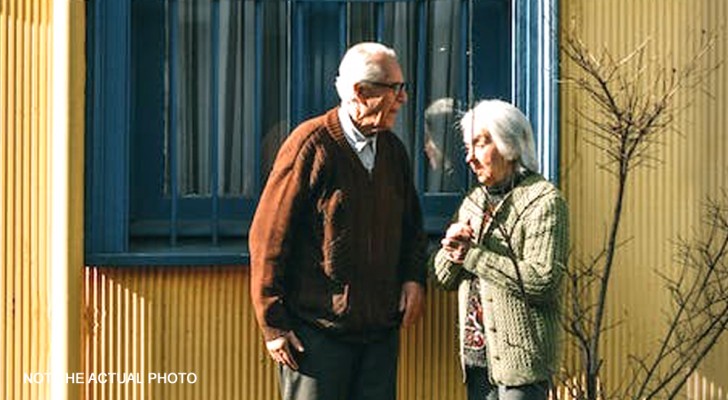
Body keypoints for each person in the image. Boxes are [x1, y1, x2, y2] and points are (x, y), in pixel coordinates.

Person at [249, 42, 427, 400]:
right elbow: (268, 236)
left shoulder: (392, 151)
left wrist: (413, 277)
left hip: (378, 333)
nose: (403, 99)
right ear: (361, 92)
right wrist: (273, 324)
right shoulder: (310, 145)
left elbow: (411, 226)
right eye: (396, 88)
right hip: (316, 336)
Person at [430, 99, 569, 400]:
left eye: (480, 145)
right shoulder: (474, 201)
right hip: (477, 362)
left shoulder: (543, 201)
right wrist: (450, 247)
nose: (470, 158)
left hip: (521, 367)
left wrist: (472, 256)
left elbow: (544, 280)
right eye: (468, 148)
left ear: (510, 144)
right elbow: (443, 277)